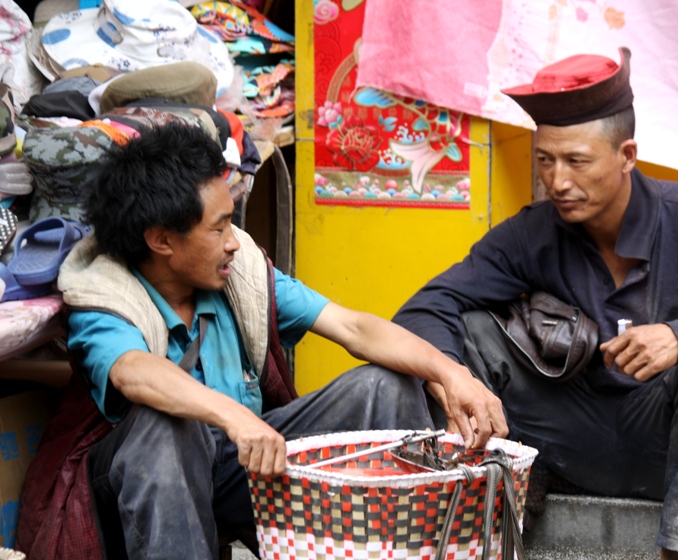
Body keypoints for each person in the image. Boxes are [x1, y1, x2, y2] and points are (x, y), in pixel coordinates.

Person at [40, 122, 507, 559]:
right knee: (166, 428)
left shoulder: (236, 274)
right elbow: (132, 370)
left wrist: (451, 373)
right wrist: (237, 417)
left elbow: (354, 328)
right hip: (143, 482)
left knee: (389, 384)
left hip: (242, 463)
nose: (234, 242)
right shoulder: (104, 291)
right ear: (162, 240)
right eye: (218, 227)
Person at [393, 47, 678, 560]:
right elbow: (427, 306)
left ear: (626, 155)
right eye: (545, 160)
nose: (558, 181)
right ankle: (510, 471)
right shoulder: (532, 232)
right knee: (467, 333)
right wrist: (454, 382)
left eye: (577, 161)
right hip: (570, 438)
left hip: (670, 446)